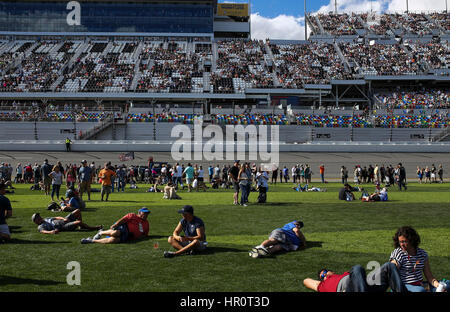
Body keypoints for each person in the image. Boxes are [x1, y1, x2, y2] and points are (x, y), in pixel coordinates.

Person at [390, 226, 449, 292]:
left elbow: (429, 277)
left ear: (412, 240)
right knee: (420, 290)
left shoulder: (422, 254)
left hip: (420, 284)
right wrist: (394, 265)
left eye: (404, 241)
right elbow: (392, 268)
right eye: (400, 242)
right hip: (404, 286)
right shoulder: (399, 253)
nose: (402, 244)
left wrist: (438, 285)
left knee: (448, 285)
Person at [303, 262, 407, 292]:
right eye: (322, 276)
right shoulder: (322, 285)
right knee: (357, 268)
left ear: (332, 271)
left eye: (325, 272)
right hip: (347, 289)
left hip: (364, 285)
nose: (324, 275)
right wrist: (320, 281)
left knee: (389, 266)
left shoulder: (344, 274)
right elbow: (306, 280)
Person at [80, 207, 150, 244]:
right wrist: (116, 224)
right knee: (115, 233)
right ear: (139, 212)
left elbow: (145, 235)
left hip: (129, 236)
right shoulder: (133, 215)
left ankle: (91, 241)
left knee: (113, 240)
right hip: (124, 228)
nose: (146, 215)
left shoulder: (146, 223)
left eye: (147, 214)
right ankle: (100, 232)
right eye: (144, 213)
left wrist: (136, 237)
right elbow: (123, 219)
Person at [32, 210, 101, 235]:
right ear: (36, 221)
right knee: (78, 222)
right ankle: (92, 228)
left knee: (77, 211)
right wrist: (51, 232)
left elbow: (57, 217)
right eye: (38, 217)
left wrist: (64, 218)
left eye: (39, 216)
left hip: (64, 220)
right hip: (63, 226)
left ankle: (81, 226)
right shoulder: (41, 226)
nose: (40, 217)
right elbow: (43, 231)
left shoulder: (46, 219)